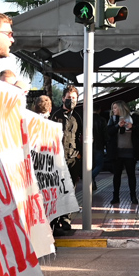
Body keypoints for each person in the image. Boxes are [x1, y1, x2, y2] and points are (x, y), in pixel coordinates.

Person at [50, 86, 82, 234]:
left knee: (70, 190)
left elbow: (81, 136)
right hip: (57, 158)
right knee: (57, 189)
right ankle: (56, 219)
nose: (71, 101)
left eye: (74, 98)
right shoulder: (54, 114)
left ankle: (66, 218)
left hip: (73, 158)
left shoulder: (79, 116)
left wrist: (79, 154)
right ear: (63, 98)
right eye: (69, 98)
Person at [105, 101, 139, 205]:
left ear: (122, 108)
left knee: (131, 175)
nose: (114, 110)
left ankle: (133, 196)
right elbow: (108, 132)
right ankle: (115, 196)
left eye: (115, 108)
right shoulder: (113, 119)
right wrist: (117, 126)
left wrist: (132, 127)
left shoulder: (133, 118)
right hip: (117, 152)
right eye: (113, 108)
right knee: (116, 175)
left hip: (130, 152)